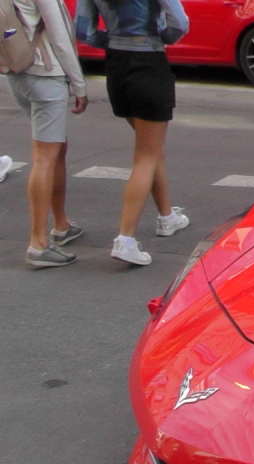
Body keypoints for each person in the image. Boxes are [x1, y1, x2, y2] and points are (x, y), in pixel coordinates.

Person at [76, 0, 190, 267]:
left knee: (150, 147)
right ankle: (125, 239)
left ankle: (166, 216)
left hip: (116, 63)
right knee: (146, 155)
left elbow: (83, 30)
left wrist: (110, 40)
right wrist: (160, 37)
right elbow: (180, 23)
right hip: (148, 60)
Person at [5, 0, 89, 268]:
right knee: (45, 156)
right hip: (45, 73)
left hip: (18, 72)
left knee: (57, 148)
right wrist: (79, 85)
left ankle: (61, 224)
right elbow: (60, 36)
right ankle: (38, 243)